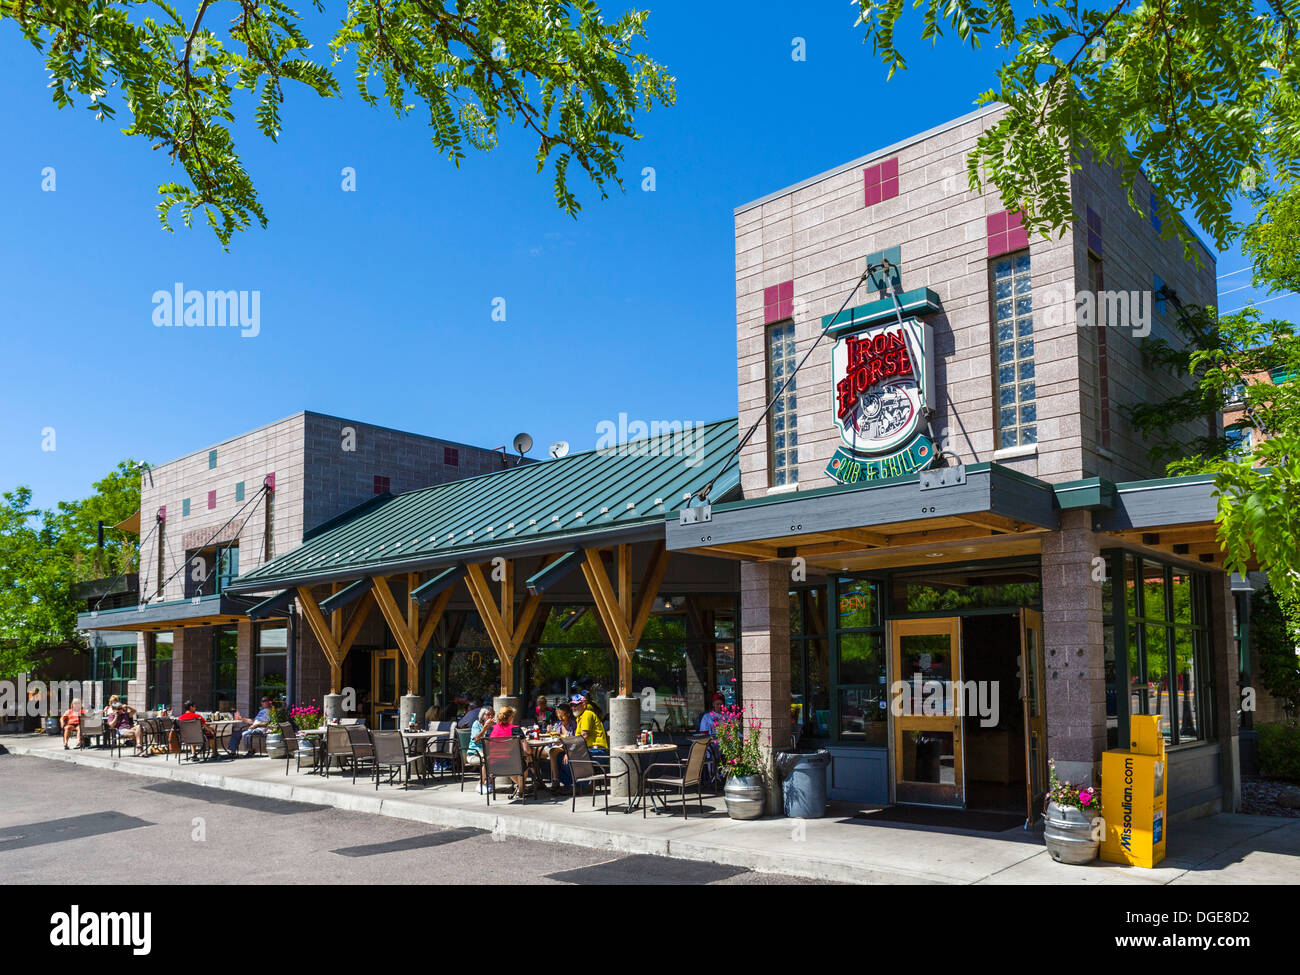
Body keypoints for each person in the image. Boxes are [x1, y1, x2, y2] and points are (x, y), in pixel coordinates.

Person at [488, 705, 527, 797]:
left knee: (510, 760)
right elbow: (527, 750)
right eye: (513, 716)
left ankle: (522, 787)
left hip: (493, 766)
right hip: (512, 765)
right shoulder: (515, 729)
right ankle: (521, 791)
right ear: (510, 717)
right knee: (526, 761)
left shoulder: (491, 729)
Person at [546, 703, 577, 788]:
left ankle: (555, 780)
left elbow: (575, 741)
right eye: (558, 716)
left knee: (552, 752)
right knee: (534, 752)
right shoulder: (557, 724)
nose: (560, 719)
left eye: (562, 716)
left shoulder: (574, 725)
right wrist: (549, 732)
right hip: (555, 746)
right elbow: (552, 737)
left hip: (566, 747)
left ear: (568, 714)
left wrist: (569, 752)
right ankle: (537, 781)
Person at [572, 693, 608, 760]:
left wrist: (571, 749)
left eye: (575, 705)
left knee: (567, 759)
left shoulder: (587, 714)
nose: (573, 708)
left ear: (583, 704)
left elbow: (584, 736)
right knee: (561, 757)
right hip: (591, 751)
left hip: (597, 752)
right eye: (572, 705)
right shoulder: (579, 718)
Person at [469, 705, 495, 794]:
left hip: (489, 751)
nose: (490, 717)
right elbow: (476, 740)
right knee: (490, 759)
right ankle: (480, 784)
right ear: (482, 716)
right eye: (488, 714)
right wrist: (485, 728)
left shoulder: (494, 726)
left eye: (492, 714)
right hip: (475, 752)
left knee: (499, 757)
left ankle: (490, 782)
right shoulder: (476, 724)